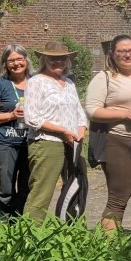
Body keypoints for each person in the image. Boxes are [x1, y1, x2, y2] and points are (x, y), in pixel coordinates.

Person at [85, 35, 131, 232]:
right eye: (122, 51)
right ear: (112, 54)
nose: (127, 55)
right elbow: (92, 111)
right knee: (119, 196)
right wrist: (124, 114)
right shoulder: (105, 78)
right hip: (118, 141)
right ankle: (109, 247)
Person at [22, 41, 89, 221]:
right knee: (42, 192)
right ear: (44, 60)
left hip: (72, 143)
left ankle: (70, 229)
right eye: (53, 58)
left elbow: (79, 113)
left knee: (76, 188)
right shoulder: (37, 82)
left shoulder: (69, 83)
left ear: (67, 60)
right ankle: (30, 232)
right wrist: (63, 131)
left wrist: (81, 131)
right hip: (47, 143)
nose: (58, 62)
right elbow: (31, 117)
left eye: (62, 58)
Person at [0, 44, 33, 218]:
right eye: (11, 60)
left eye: (20, 59)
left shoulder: (37, 82)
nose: (16, 63)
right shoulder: (0, 84)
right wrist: (11, 115)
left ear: (26, 60)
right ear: (5, 63)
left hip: (31, 143)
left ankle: (21, 223)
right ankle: (4, 226)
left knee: (27, 187)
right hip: (5, 143)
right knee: (5, 188)